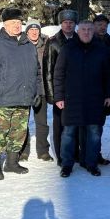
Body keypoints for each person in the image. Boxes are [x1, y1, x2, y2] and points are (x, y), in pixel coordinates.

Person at [0, 8, 43, 180]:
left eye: (19, 23)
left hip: (23, 98)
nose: (17, 26)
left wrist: (36, 91)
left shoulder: (28, 44)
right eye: (13, 23)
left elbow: (37, 71)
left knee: (18, 133)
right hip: (1, 98)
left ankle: (12, 163)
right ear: (5, 25)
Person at [54, 20, 110, 177]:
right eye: (83, 30)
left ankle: (91, 163)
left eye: (89, 29)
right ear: (78, 31)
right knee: (68, 133)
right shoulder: (68, 49)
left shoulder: (101, 49)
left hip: (95, 98)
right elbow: (59, 74)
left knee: (94, 132)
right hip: (72, 98)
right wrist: (59, 96)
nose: (86, 32)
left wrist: (108, 94)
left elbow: (108, 75)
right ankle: (67, 164)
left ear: (93, 31)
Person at [44, 9, 79, 165]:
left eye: (71, 22)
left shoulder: (80, 39)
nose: (69, 25)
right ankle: (61, 155)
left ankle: (76, 153)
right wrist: (52, 95)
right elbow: (48, 70)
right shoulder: (53, 42)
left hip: (77, 92)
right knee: (60, 125)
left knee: (77, 124)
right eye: (66, 22)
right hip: (61, 92)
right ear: (61, 23)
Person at [19, 19, 53, 163]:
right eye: (31, 30)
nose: (34, 32)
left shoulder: (47, 44)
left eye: (36, 30)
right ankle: (23, 151)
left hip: (42, 89)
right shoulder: (19, 44)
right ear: (26, 32)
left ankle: (43, 151)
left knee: (42, 122)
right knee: (22, 122)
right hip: (23, 89)